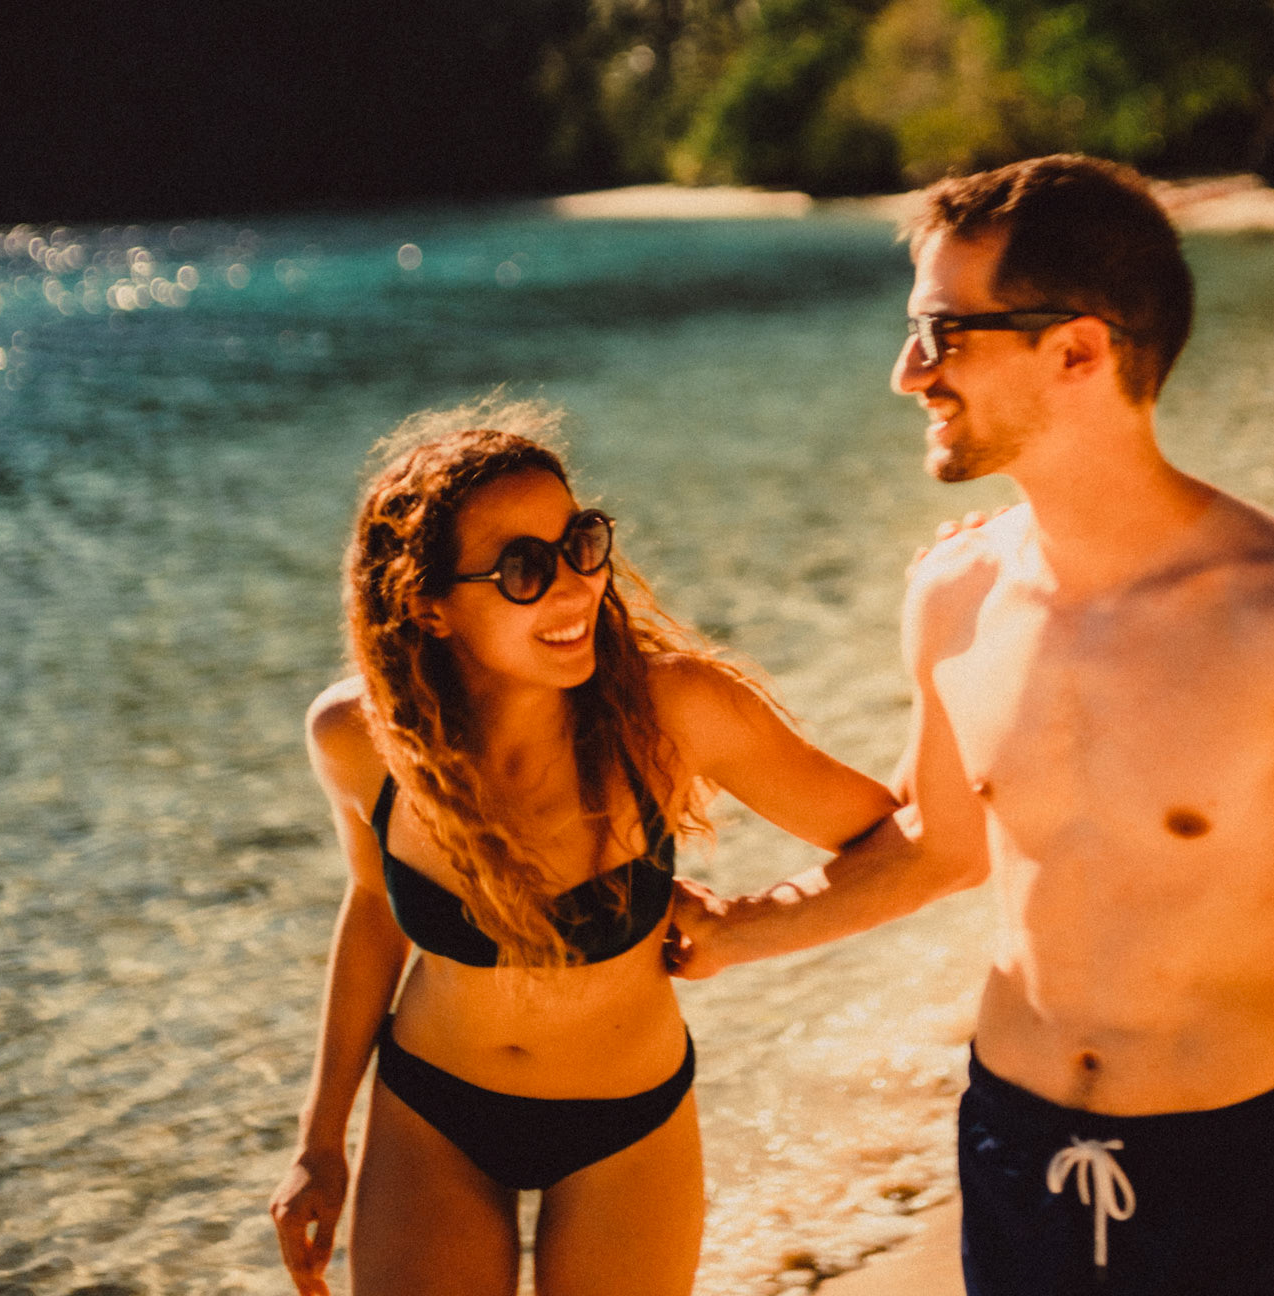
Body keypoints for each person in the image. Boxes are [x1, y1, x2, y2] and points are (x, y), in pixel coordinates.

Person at [669, 155, 1274, 1296]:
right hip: (1014, 1150)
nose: (909, 373)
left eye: (943, 333)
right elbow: (940, 846)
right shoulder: (953, 595)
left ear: (1078, 351)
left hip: (1230, 1171)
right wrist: (733, 932)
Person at [269, 402, 897, 1296]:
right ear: (428, 606)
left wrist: (746, 929)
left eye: (581, 544)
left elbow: (895, 841)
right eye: (524, 568)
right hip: (429, 1113)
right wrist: (319, 1140)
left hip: (625, 1130)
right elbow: (374, 908)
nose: (574, 588)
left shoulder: (674, 713)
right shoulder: (360, 741)